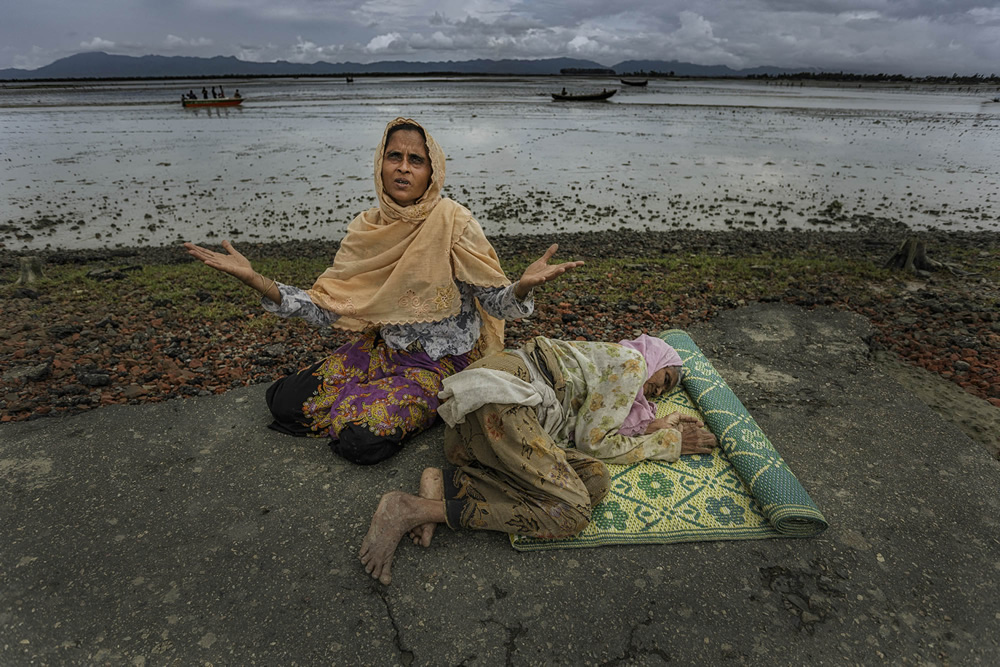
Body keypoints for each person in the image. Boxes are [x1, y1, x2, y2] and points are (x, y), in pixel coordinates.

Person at [184, 118, 582, 465]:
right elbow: (326, 307)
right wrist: (259, 281)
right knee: (282, 401)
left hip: (440, 363)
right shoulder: (366, 229)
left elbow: (496, 302)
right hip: (382, 350)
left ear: (432, 171)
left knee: (361, 442)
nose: (403, 168)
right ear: (381, 164)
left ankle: (393, 404)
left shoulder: (452, 221)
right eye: (395, 157)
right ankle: (368, 394)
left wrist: (522, 286)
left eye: (416, 160)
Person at [359, 334, 719, 585]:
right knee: (573, 512)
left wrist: (656, 426)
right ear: (654, 357)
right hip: (503, 397)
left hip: (483, 432)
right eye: (665, 377)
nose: (659, 390)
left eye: (665, 391)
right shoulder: (632, 362)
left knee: (593, 478)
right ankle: (413, 509)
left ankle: (448, 484)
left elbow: (595, 434)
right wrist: (669, 443)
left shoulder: (608, 373)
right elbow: (595, 441)